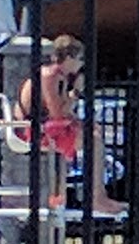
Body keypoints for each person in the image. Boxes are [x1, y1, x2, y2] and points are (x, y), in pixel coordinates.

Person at [15, 36, 126, 217]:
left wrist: (80, 121)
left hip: (43, 127)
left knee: (93, 131)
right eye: (80, 59)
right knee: (93, 142)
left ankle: (62, 197)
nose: (81, 64)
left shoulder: (58, 76)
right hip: (32, 131)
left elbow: (62, 113)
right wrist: (75, 92)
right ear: (68, 58)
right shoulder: (50, 76)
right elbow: (58, 113)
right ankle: (97, 198)